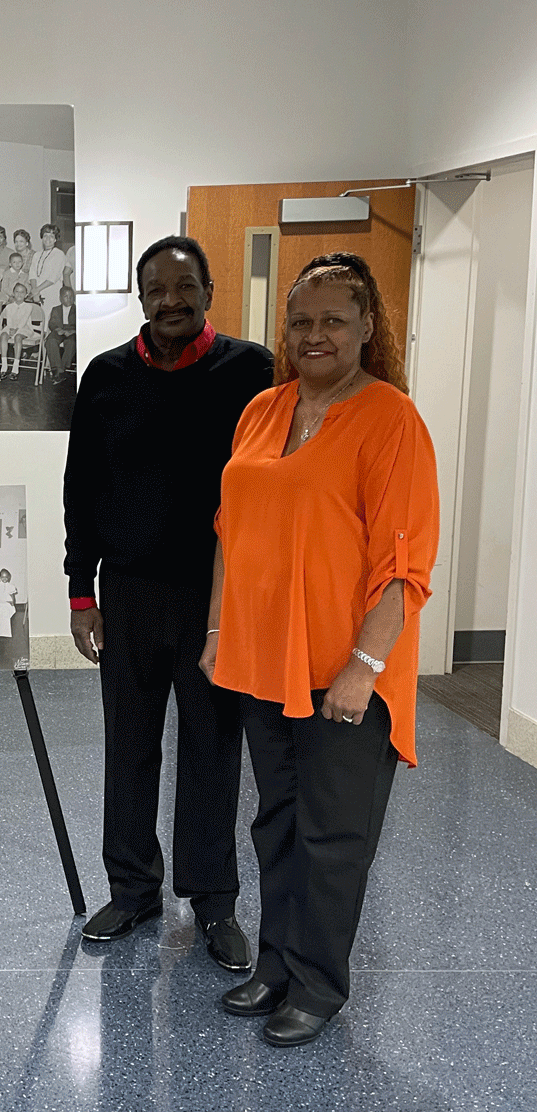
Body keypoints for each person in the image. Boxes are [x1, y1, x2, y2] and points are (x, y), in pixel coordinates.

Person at [203, 253, 438, 1047]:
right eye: (301, 320)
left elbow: (404, 566)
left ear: (367, 326)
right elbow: (229, 535)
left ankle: (319, 982)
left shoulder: (391, 418)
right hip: (262, 662)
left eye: (334, 318)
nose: (315, 334)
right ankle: (275, 960)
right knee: (275, 820)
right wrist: (215, 632)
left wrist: (364, 668)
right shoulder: (263, 410)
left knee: (334, 834)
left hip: (345, 674)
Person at [63, 235, 272, 971]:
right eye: (156, 289)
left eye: (185, 287)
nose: (171, 301)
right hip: (126, 593)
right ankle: (132, 888)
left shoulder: (253, 371)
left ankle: (213, 901)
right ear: (141, 297)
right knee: (129, 741)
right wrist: (79, 588)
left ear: (210, 291)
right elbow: (81, 485)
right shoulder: (106, 376)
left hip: (218, 597)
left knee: (214, 745)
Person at [0, 282, 40, 378]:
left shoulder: (28, 306)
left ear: (26, 295)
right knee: (3, 335)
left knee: (18, 337)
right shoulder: (9, 307)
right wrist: (11, 329)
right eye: (17, 291)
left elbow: (23, 321)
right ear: (13, 293)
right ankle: (4, 366)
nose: (19, 294)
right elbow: (9, 321)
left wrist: (16, 330)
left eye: (22, 292)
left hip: (24, 328)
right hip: (11, 327)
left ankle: (15, 368)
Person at [29, 224, 66, 309]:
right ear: (42, 238)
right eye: (45, 236)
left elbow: (54, 277)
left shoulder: (59, 254)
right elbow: (32, 274)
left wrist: (37, 289)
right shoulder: (36, 255)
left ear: (55, 239)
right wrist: (35, 290)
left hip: (52, 293)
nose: (48, 239)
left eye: (51, 236)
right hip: (36, 294)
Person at [46, 285, 78, 380]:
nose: (69, 298)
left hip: (72, 331)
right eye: (66, 296)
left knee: (71, 343)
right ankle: (57, 369)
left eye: (71, 296)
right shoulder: (55, 309)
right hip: (59, 330)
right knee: (51, 340)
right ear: (60, 298)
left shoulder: (77, 309)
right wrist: (57, 329)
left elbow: (81, 324)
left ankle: (61, 369)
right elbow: (52, 323)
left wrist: (73, 331)